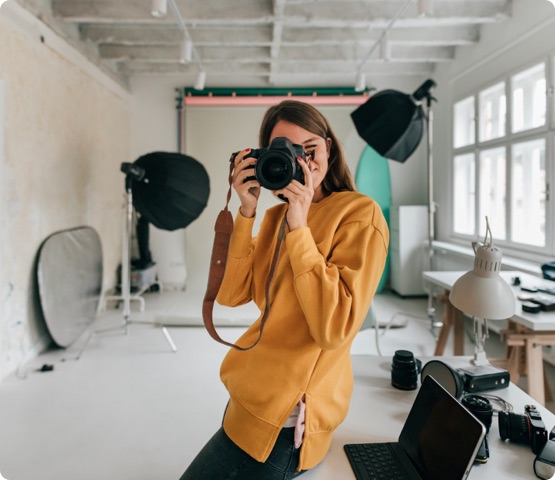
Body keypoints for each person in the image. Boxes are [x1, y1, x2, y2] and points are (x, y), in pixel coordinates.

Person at [180, 100, 389, 479]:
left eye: (309, 150)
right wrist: (246, 212)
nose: (303, 163)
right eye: (286, 153)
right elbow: (230, 296)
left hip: (286, 424)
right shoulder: (274, 216)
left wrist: (300, 226)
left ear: (329, 148)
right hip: (247, 398)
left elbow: (333, 328)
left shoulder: (360, 213)